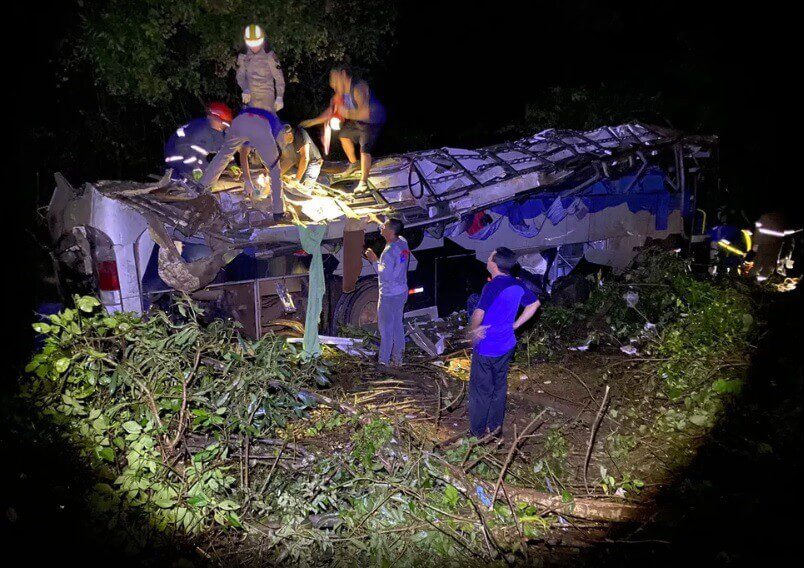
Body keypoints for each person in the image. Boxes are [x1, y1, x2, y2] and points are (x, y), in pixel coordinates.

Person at [467, 247, 541, 438]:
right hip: (507, 344)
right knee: (499, 388)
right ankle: (495, 428)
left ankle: (476, 434)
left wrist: (472, 332)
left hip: (487, 347)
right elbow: (534, 304)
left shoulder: (492, 286)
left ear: (495, 264)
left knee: (481, 391)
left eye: (490, 255)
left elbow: (478, 313)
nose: (488, 257)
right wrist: (515, 324)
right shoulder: (518, 284)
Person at [301, 65, 386, 192]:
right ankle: (354, 164)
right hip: (357, 121)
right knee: (344, 136)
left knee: (364, 148)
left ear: (343, 74)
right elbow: (332, 111)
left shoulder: (358, 87)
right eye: (333, 85)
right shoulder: (339, 95)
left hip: (372, 120)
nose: (334, 86)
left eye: (335, 82)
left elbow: (365, 113)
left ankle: (363, 182)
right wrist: (314, 121)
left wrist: (346, 113)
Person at [199, 106, 285, 221]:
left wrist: (248, 181)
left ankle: (202, 187)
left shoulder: (240, 122)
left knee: (224, 155)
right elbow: (274, 160)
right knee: (275, 170)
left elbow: (243, 154)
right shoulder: (279, 130)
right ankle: (278, 213)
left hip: (240, 121)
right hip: (260, 124)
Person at [364, 218, 410, 367]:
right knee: (397, 327)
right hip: (401, 292)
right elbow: (391, 227)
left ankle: (383, 363)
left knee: (386, 331)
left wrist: (373, 260)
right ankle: (398, 361)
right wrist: (375, 219)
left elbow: (384, 274)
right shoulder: (402, 241)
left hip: (389, 296)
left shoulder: (388, 253)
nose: (381, 227)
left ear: (390, 232)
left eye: (383, 226)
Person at [163, 102, 233, 180]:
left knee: (207, 174)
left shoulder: (216, 132)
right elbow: (188, 150)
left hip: (195, 158)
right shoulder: (199, 128)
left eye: (226, 124)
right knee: (195, 179)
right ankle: (177, 181)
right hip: (177, 156)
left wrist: (232, 165)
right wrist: (196, 168)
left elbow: (223, 149)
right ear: (213, 118)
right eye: (222, 123)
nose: (223, 126)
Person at [237, 24, 285, 112]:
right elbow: (240, 76)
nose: (254, 47)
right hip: (250, 97)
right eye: (251, 43)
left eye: (256, 43)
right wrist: (245, 89)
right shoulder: (243, 56)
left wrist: (279, 97)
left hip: (267, 97)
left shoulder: (269, 55)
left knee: (268, 123)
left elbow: (279, 78)